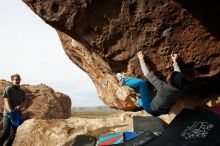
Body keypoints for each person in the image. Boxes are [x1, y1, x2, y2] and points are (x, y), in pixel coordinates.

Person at [116, 51, 187, 116]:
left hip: (151, 108)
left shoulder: (163, 87)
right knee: (151, 92)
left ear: (170, 81)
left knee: (141, 83)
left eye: (170, 75)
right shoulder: (180, 87)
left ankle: (123, 80)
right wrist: (175, 61)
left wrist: (141, 59)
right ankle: (140, 102)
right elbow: (179, 76)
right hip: (160, 112)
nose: (168, 74)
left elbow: (147, 74)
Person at [0, 74, 26, 146]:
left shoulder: (22, 92)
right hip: (8, 115)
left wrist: (20, 106)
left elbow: (23, 103)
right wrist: (11, 112)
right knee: (6, 133)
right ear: (12, 80)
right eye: (15, 79)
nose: (17, 81)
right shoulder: (8, 89)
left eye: (18, 79)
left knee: (16, 133)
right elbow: (6, 101)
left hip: (17, 115)